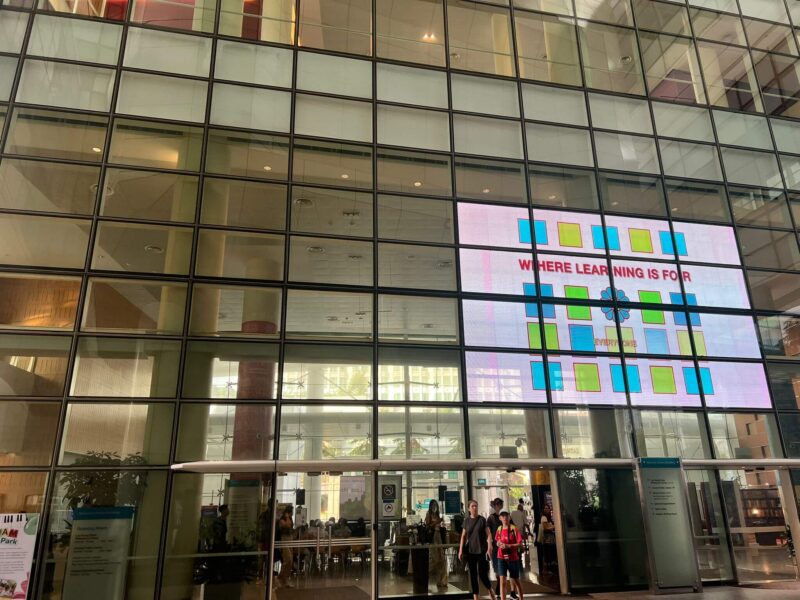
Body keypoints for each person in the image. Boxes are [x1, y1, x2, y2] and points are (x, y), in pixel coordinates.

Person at [458, 500, 497, 600]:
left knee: (482, 573)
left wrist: (489, 547)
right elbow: (463, 536)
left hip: (481, 550)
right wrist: (460, 550)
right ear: (468, 509)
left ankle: (489, 589)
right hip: (471, 551)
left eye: (476, 506)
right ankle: (476, 597)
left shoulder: (482, 520)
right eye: (473, 506)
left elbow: (489, 534)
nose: (475, 508)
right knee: (473, 575)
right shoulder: (466, 521)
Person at [495, 511, 524, 600]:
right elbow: (496, 541)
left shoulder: (513, 529)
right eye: (502, 517)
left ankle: (522, 598)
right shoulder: (499, 529)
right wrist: (498, 544)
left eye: (506, 516)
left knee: (516, 580)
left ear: (509, 518)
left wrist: (508, 546)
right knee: (502, 581)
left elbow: (520, 543)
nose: (505, 518)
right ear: (500, 518)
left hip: (512, 558)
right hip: (501, 557)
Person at [424, 499, 448, 590]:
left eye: (436, 505)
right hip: (433, 537)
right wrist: (437, 522)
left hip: (438, 536)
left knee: (442, 559)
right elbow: (428, 525)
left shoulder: (437, 514)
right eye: (433, 505)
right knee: (435, 559)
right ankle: (424, 574)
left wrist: (440, 523)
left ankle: (442, 581)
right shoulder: (429, 514)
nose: (434, 507)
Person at [276, 507, 294, 587]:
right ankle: (281, 577)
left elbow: (290, 527)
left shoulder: (289, 518)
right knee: (288, 559)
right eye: (291, 511)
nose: (292, 513)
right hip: (284, 539)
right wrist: (286, 517)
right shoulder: (282, 519)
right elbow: (287, 525)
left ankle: (284, 578)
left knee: (291, 560)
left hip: (290, 538)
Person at [539, 505, 556, 575]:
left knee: (550, 553)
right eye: (545, 508)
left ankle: (550, 569)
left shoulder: (548, 517)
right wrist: (554, 526)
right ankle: (547, 570)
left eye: (547, 508)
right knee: (548, 553)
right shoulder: (544, 517)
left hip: (550, 538)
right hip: (547, 538)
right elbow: (545, 528)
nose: (546, 510)